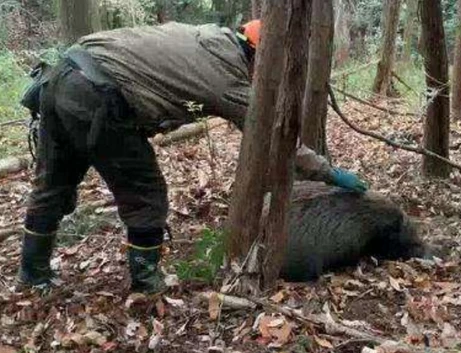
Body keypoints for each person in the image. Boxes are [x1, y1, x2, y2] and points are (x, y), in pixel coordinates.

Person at [18, 20, 368, 294]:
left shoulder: (207, 37)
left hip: (60, 75)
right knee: (146, 194)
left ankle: (32, 274)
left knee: (53, 183)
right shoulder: (227, 77)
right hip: (98, 96)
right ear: (259, 56)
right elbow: (275, 140)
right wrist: (329, 173)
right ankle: (146, 282)